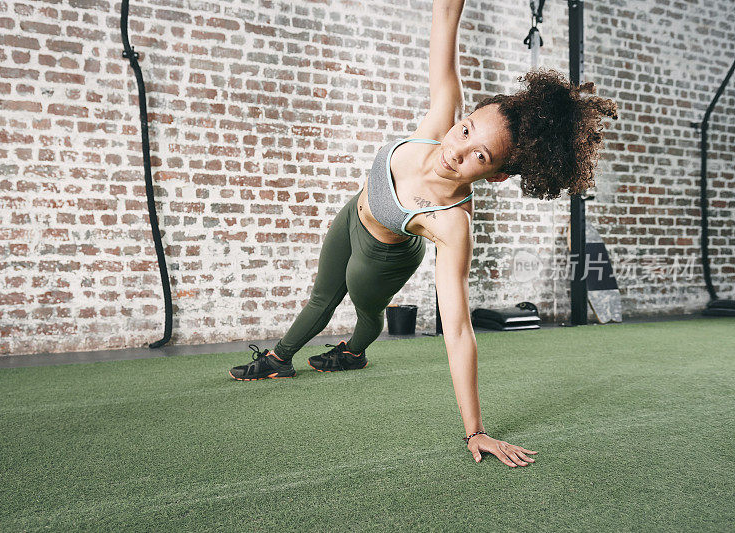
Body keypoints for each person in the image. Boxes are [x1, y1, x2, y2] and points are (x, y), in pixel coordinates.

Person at [228, 0, 617, 468]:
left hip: (383, 254)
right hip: (352, 213)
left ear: (493, 176)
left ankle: (351, 351)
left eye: (481, 156)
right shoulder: (438, 124)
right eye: (466, 130)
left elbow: (457, 329)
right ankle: (283, 360)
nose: (459, 149)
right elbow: (444, 27)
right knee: (320, 294)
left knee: (365, 312)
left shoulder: (452, 222)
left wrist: (477, 431)